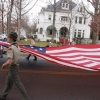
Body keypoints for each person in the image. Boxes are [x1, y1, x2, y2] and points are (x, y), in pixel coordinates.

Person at [0, 32, 30, 100]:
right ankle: (3, 95)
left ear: (11, 38)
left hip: (13, 67)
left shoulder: (11, 48)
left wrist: (3, 65)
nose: (7, 38)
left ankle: (26, 98)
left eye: (8, 37)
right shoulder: (17, 46)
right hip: (15, 66)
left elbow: (9, 61)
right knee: (8, 82)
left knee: (18, 84)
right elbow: (18, 58)